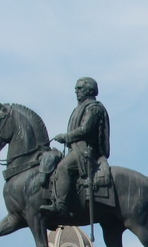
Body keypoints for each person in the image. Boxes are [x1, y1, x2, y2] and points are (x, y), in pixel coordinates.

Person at [40, 77, 111, 218]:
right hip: (77, 149)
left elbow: (85, 129)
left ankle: (60, 206)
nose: (76, 91)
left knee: (62, 167)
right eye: (76, 89)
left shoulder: (94, 108)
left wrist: (66, 137)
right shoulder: (80, 108)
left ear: (89, 90)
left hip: (86, 151)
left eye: (79, 88)